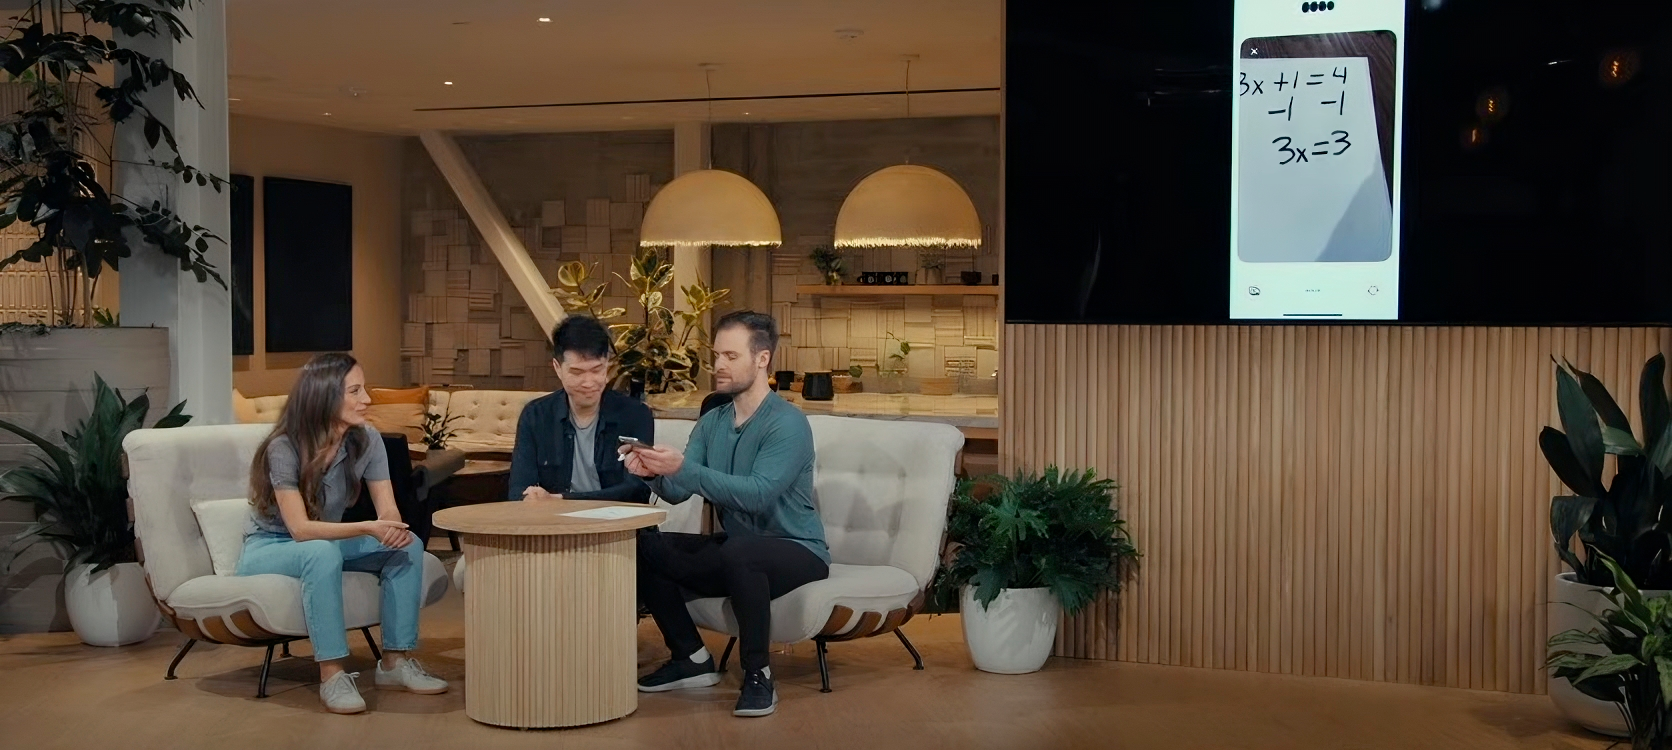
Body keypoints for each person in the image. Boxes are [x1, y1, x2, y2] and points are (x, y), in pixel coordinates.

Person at [624, 311, 829, 718]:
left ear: (761, 359)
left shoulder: (787, 424)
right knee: (643, 543)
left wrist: (682, 467)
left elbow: (756, 496)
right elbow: (681, 491)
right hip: (740, 550)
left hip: (797, 550)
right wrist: (654, 474)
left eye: (731, 356)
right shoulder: (712, 421)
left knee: (741, 553)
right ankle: (690, 657)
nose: (718, 365)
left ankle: (758, 676)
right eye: (716, 355)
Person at [239, 353, 449, 715]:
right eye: (354, 391)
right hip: (271, 547)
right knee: (322, 552)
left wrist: (390, 528)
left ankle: (395, 663)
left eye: (363, 389)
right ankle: (332, 675)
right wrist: (370, 527)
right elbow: (301, 530)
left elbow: (388, 509)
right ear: (324, 396)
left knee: (408, 544)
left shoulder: (366, 440)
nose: (366, 399)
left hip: (325, 542)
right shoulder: (284, 447)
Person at [509, 315, 655, 503]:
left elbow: (637, 489)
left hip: (619, 526)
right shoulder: (536, 416)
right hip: (558, 526)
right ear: (557, 368)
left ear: (607, 366)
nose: (588, 383)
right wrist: (531, 498)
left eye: (596, 370)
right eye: (577, 372)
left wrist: (560, 500)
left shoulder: (636, 415)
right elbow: (517, 490)